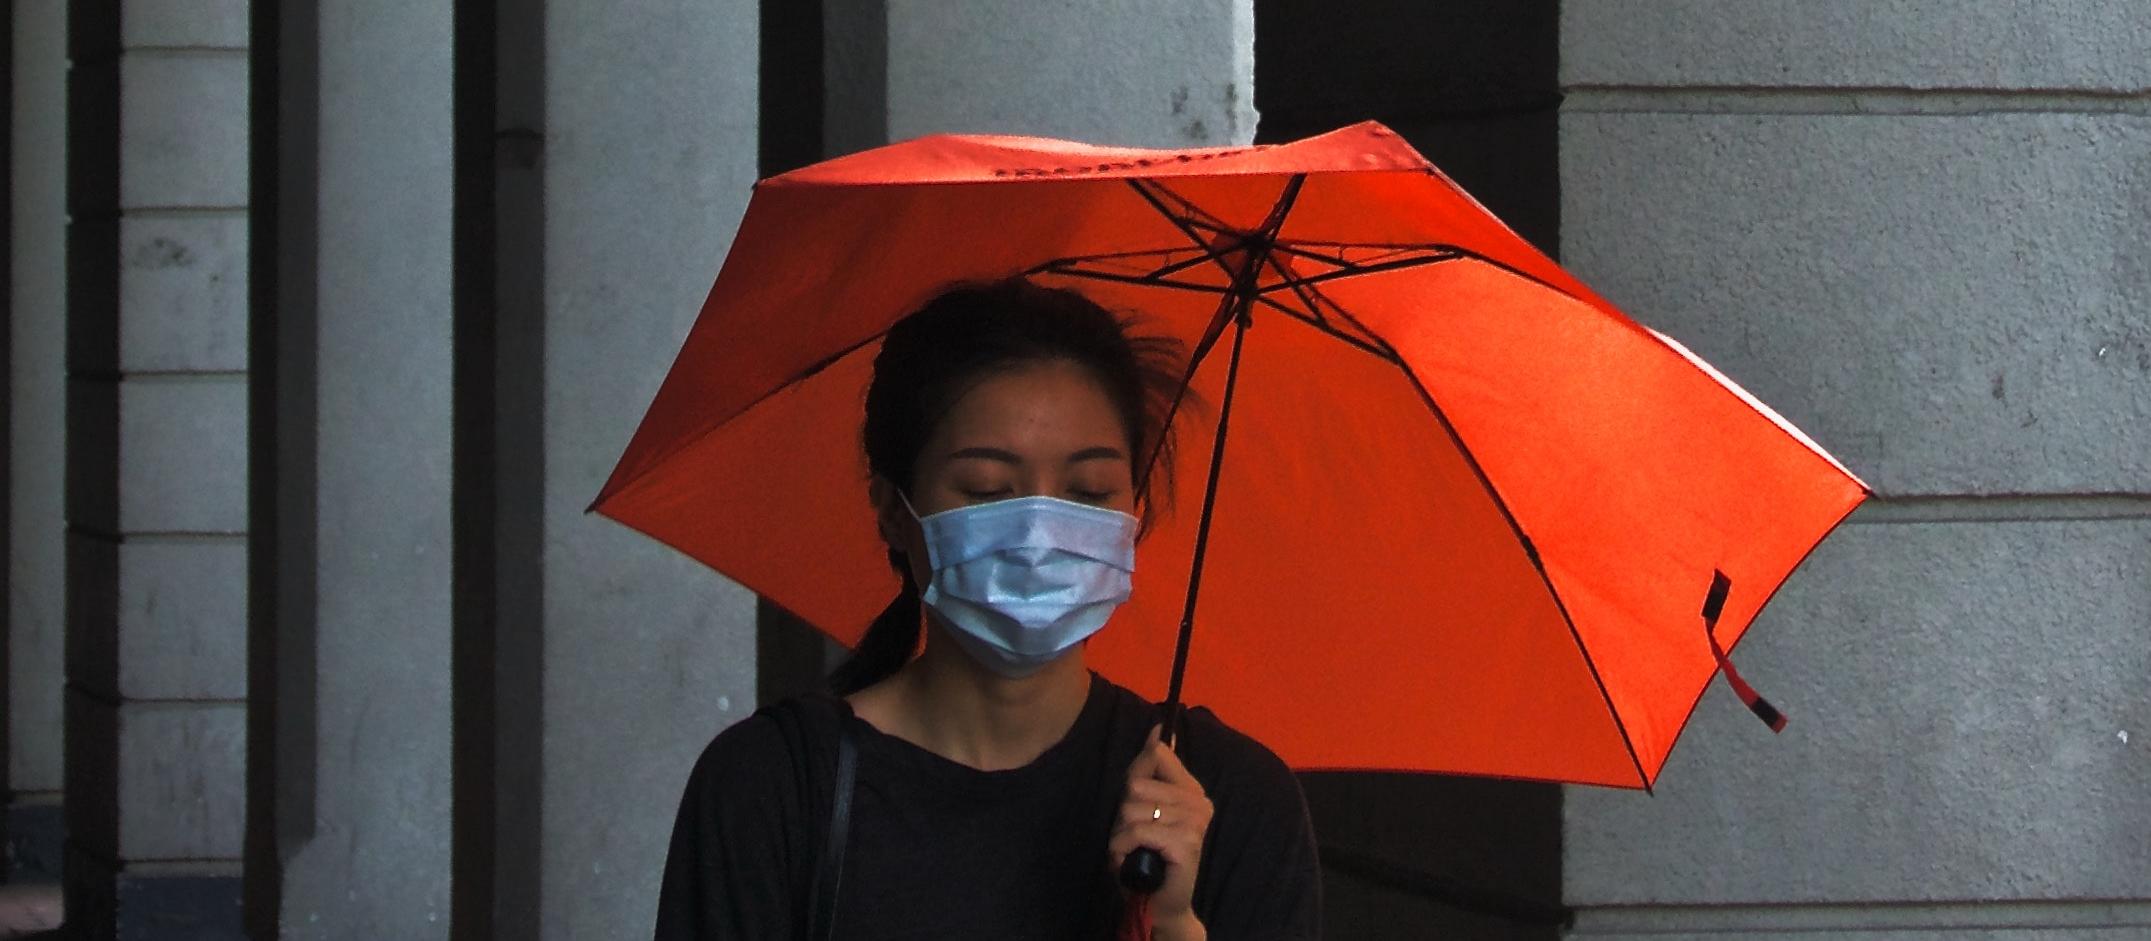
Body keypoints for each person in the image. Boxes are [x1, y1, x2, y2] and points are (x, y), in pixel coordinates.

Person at [653, 278, 1321, 940]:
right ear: (893, 508)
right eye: (987, 488)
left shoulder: (1226, 800)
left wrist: (1169, 923)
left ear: (1132, 509)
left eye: (1087, 492)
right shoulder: (776, 788)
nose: (1037, 533)